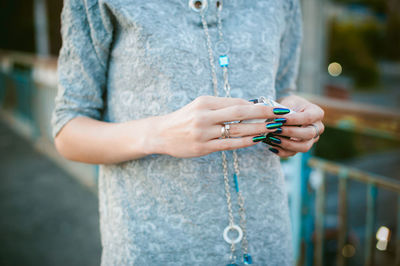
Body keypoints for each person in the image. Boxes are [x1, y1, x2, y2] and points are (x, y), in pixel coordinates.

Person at [52, 0, 324, 265]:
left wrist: (294, 118)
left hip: (268, 242)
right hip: (154, 248)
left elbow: (282, 89)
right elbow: (68, 129)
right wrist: (158, 133)